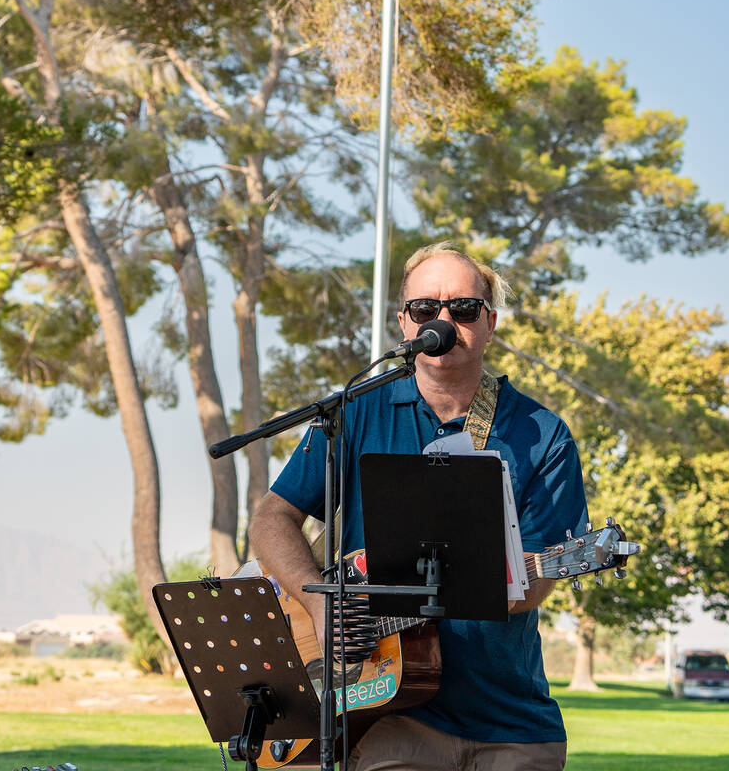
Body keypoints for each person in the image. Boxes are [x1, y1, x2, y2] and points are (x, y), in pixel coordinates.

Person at [249, 243, 588, 771]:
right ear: (404, 324)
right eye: (426, 309)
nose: (444, 320)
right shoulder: (357, 413)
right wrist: (319, 603)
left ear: (490, 323)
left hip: (512, 725)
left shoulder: (542, 435)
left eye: (464, 308)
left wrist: (460, 583)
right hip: (388, 710)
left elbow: (535, 584)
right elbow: (273, 518)